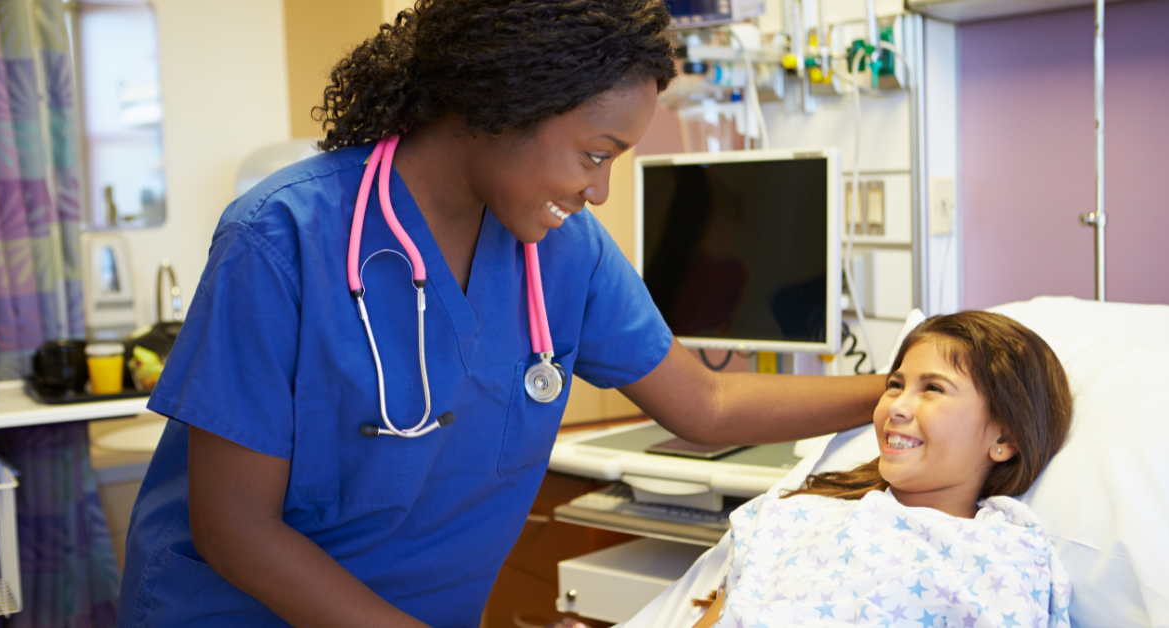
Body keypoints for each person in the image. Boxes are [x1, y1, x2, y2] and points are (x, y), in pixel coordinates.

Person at [117, 2, 886, 627]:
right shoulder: (282, 237)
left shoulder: (564, 250)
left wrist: (898, 385)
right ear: (502, 103)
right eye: (595, 153)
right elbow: (235, 531)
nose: (600, 192)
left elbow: (707, 403)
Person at [684, 311, 1073, 628]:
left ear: (1004, 438)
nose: (896, 407)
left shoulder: (1004, 558)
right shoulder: (796, 517)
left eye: (933, 389)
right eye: (895, 385)